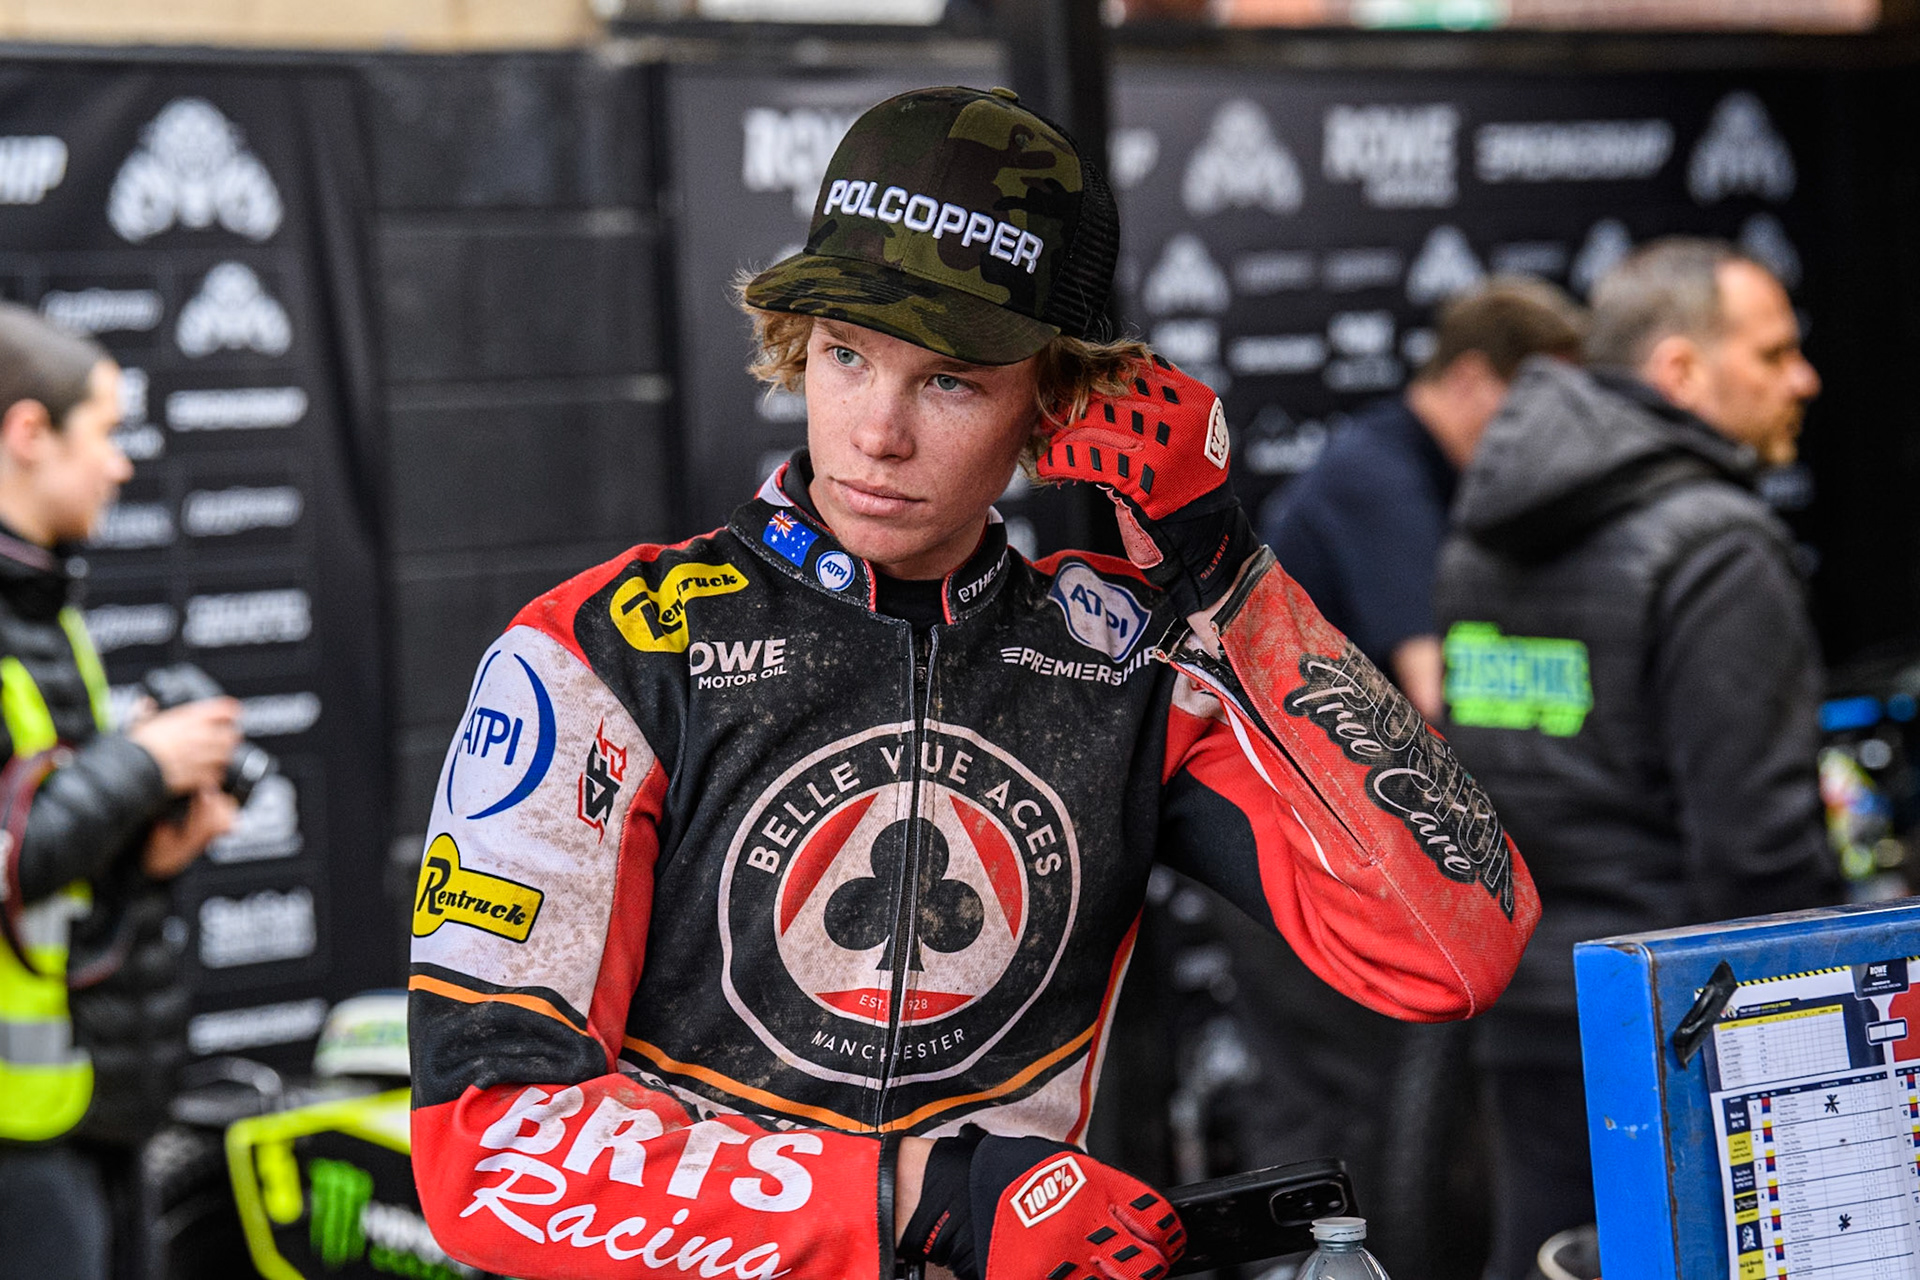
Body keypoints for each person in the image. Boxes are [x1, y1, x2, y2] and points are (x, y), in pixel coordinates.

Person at [408, 85, 1537, 1280]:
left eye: (948, 380)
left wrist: (1232, 586)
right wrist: (913, 1199)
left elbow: (1452, 950)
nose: (877, 432)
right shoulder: (605, 650)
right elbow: (488, 1147)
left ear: (1056, 402)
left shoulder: (1127, 662)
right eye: (846, 356)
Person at [1433, 238, 1839, 1276]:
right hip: (1684, 1030)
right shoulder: (1718, 544)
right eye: (1774, 352)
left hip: (1521, 1000)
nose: (1804, 379)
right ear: (1679, 371)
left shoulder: (1482, 524)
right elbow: (1760, 850)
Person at [0, 304, 241, 1280]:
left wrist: (155, 846)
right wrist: (147, 761)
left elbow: (54, 855)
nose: (122, 465)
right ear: (27, 434)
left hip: (90, 1103)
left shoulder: (45, 602)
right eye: (104, 432)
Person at [1260, 278, 1586, 721]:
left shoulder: (1426, 461)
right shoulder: (1378, 477)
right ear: (1470, 379)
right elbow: (1435, 694)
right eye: (1543, 401)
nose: (1554, 427)